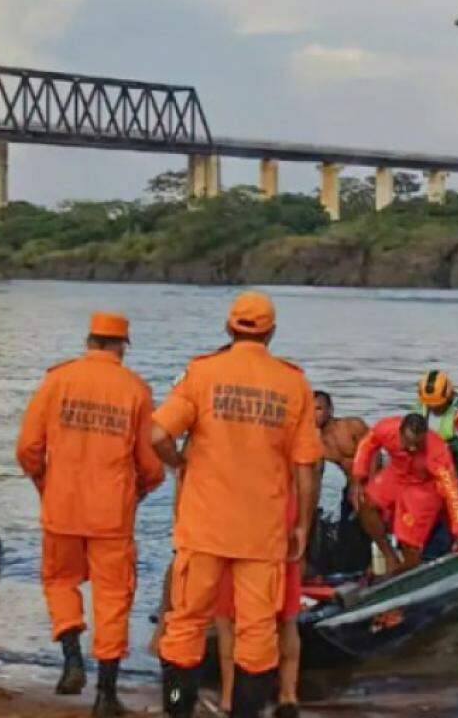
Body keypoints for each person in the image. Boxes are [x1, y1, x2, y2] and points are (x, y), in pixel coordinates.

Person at [151, 291, 323, 718]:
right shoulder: (292, 383)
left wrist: (180, 463)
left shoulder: (202, 373)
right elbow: (307, 465)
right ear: (272, 332)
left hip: (203, 527)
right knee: (257, 633)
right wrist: (301, 525)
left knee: (185, 625)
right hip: (261, 534)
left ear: (229, 328)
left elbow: (157, 436)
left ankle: (177, 709)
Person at [16, 312, 165, 717]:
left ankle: (71, 660)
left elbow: (27, 448)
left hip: (61, 507)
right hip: (111, 514)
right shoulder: (135, 389)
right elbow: (151, 465)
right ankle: (105, 695)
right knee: (113, 597)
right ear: (122, 346)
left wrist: (46, 484)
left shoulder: (57, 380)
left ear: (89, 340)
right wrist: (140, 491)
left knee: (59, 581)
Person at [213, 488, 301, 718]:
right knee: (286, 618)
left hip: (230, 520)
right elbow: (305, 474)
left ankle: (229, 697)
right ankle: (288, 696)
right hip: (279, 514)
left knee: (227, 620)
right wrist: (303, 525)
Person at [351, 414, 458, 574]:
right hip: (397, 472)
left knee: (409, 542)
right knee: (365, 501)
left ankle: (404, 571)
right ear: (400, 432)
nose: (411, 449)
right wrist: (358, 478)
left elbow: (452, 492)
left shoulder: (437, 452)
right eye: (407, 443)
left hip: (423, 486)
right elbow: (367, 445)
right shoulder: (387, 428)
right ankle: (389, 556)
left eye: (417, 445)